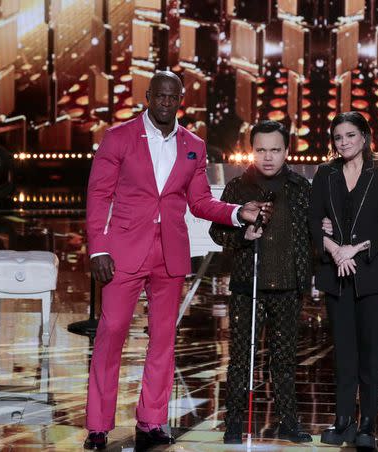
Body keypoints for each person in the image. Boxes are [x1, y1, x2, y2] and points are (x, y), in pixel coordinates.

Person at [83, 71, 272, 450]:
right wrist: (98, 249)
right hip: (123, 251)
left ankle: (151, 422)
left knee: (164, 340)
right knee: (111, 333)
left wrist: (239, 213)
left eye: (174, 97)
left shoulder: (193, 145)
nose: (167, 103)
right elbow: (98, 196)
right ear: (149, 96)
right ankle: (98, 425)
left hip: (169, 254)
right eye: (161, 96)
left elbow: (200, 202)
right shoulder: (118, 137)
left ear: (180, 99)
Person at [209, 120, 313, 445]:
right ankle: (233, 424)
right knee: (241, 358)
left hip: (287, 287)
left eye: (275, 150)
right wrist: (243, 233)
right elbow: (216, 231)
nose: (267, 157)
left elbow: (311, 235)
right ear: (251, 150)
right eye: (261, 150)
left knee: (283, 360)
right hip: (247, 286)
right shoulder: (238, 188)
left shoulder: (300, 188)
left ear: (286, 151)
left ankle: (288, 423)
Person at [308, 111, 378, 450]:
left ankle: (367, 424)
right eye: (338, 137)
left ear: (365, 137)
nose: (344, 142)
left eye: (350, 135)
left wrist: (353, 249)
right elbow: (313, 219)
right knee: (344, 352)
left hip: (374, 271)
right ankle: (343, 420)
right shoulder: (326, 173)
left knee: (371, 351)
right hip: (337, 273)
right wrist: (336, 250)